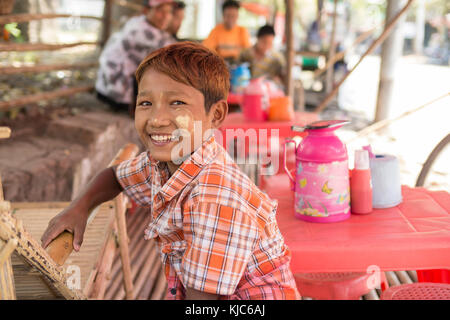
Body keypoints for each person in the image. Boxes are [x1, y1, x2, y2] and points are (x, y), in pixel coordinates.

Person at [41, 42, 300, 300]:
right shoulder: (166, 162)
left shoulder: (215, 199)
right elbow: (114, 177)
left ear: (216, 114)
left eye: (176, 102)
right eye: (145, 103)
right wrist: (79, 208)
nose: (156, 119)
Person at [95, 0, 175, 114]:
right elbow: (171, 50)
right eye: (160, 11)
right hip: (115, 91)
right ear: (146, 11)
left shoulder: (139, 23)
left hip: (108, 87)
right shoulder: (140, 32)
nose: (166, 16)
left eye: (169, 12)